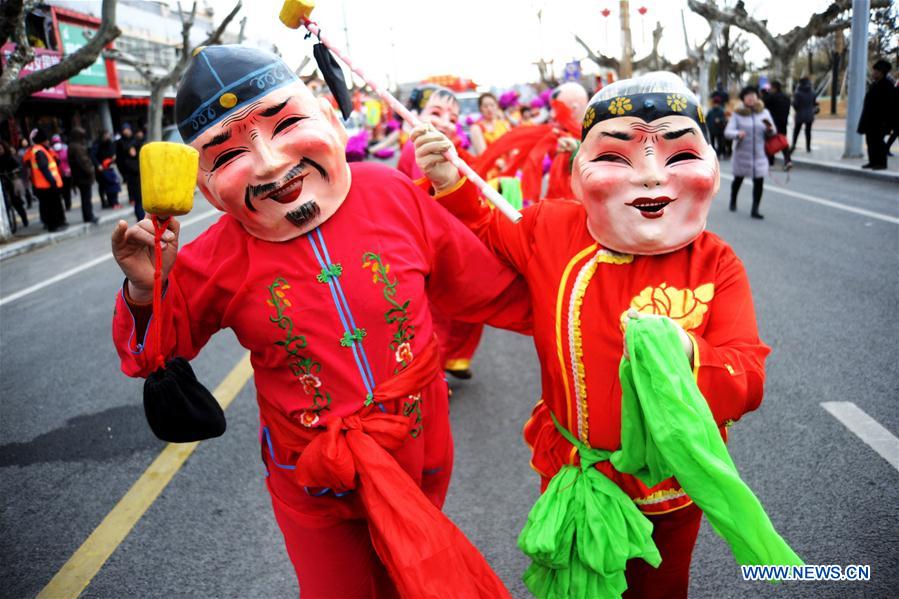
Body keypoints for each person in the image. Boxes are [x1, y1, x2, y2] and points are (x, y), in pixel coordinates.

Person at [110, 45, 530, 598]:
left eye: (285, 124)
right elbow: (156, 354)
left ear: (329, 118)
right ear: (208, 188)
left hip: (420, 447)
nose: (269, 163)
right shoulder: (212, 258)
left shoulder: (391, 193)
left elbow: (493, 288)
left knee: (413, 580)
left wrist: (601, 298)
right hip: (313, 476)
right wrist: (147, 288)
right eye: (228, 153)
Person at [413, 71, 770, 598]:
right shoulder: (551, 228)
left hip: (670, 489)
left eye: (677, 156)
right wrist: (448, 178)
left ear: (711, 166)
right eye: (616, 157)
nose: (651, 177)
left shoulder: (717, 264)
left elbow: (748, 375)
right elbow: (489, 228)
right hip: (577, 471)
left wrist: (682, 353)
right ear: (581, 171)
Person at [395, 84, 484, 379]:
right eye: (436, 113)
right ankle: (435, 372)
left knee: (464, 306)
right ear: (414, 115)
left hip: (448, 235)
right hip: (431, 240)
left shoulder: (447, 148)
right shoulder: (420, 148)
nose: (445, 122)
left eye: (453, 118)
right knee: (443, 312)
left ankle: (452, 361)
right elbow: (429, 198)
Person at [724, 85, 773, 219]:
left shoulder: (764, 113)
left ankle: (755, 209)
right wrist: (737, 134)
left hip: (759, 154)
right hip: (742, 155)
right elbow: (728, 132)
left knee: (759, 182)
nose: (751, 98)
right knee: (738, 180)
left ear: (757, 97)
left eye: (753, 95)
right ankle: (733, 200)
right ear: (743, 99)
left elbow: (773, 131)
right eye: (748, 96)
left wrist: (770, 129)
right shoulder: (737, 114)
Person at [857, 59, 895, 171]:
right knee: (870, 141)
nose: (873, 73)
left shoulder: (887, 85)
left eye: (875, 71)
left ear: (881, 72)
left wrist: (887, 122)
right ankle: (872, 161)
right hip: (870, 120)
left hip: (880, 121)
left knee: (878, 141)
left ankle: (881, 163)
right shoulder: (874, 84)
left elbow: (890, 105)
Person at [67, 127, 99, 224]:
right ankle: (89, 216)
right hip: (83, 176)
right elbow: (84, 162)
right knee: (86, 197)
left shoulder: (72, 146)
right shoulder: (77, 147)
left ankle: (88, 215)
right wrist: (91, 171)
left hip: (79, 176)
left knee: (85, 197)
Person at [116, 123, 144, 220]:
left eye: (127, 129)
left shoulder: (136, 140)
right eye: (124, 129)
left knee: (142, 199)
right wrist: (124, 174)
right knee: (138, 199)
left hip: (141, 172)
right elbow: (120, 160)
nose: (126, 131)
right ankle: (141, 218)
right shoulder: (120, 143)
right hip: (131, 174)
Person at [0, 140, 29, 228]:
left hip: (11, 180)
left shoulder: (10, 157)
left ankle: (24, 219)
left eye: (0, 148)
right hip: (2, 184)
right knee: (5, 204)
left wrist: (15, 171)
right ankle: (9, 222)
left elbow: (19, 166)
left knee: (16, 202)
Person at [763, 81, 792, 169]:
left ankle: (770, 162)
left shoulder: (771, 97)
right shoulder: (787, 98)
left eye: (770, 88)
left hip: (772, 124)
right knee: (783, 142)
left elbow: (764, 108)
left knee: (769, 142)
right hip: (783, 123)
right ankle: (788, 160)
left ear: (774, 88)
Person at [93, 131, 121, 209]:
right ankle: (104, 202)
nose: (107, 137)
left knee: (111, 184)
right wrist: (98, 165)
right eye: (106, 135)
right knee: (102, 186)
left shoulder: (109, 143)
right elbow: (93, 156)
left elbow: (112, 151)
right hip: (100, 168)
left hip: (108, 166)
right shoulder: (97, 144)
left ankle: (112, 202)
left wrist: (113, 156)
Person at [790, 77, 816, 154]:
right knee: (808, 131)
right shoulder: (812, 92)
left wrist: (793, 103)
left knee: (796, 131)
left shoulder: (798, 93)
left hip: (800, 114)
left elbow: (795, 105)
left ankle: (793, 145)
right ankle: (808, 147)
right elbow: (814, 103)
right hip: (810, 114)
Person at [51, 133, 73, 210]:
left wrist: (69, 169)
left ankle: (68, 204)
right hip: (57, 174)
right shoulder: (51, 151)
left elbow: (69, 160)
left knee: (67, 190)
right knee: (61, 191)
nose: (56, 144)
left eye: (57, 142)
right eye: (54, 143)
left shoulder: (65, 148)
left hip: (66, 173)